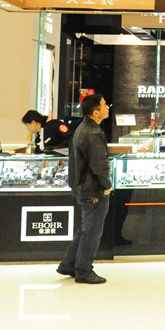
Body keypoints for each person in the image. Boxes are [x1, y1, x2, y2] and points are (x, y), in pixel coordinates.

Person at [57, 94, 112, 284]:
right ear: (95, 112)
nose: (108, 107)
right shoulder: (92, 133)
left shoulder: (84, 128)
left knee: (86, 229)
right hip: (93, 190)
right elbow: (99, 165)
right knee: (92, 232)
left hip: (83, 187)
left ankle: (68, 265)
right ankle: (83, 271)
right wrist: (106, 185)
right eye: (104, 105)